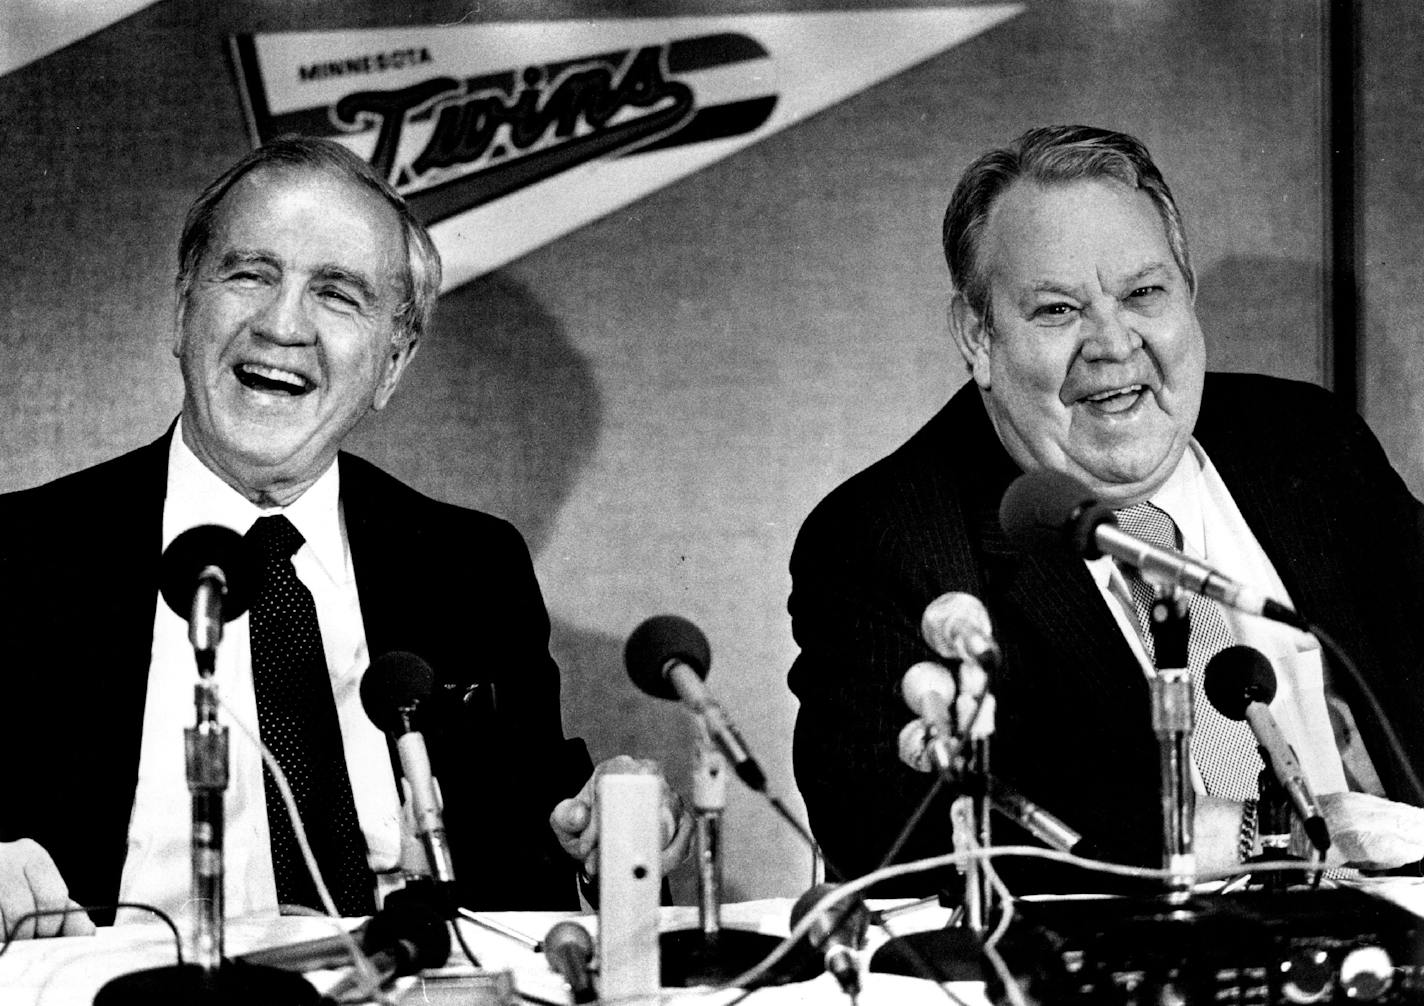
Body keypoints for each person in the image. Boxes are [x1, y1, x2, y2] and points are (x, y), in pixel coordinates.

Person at [0, 137, 686, 939]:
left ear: (392, 364)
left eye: (338, 295)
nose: (282, 324)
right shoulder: (17, 558)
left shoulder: (470, 568)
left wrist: (605, 841)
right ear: (183, 310)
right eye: (249, 273)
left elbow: (548, 849)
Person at [788, 125, 1424, 895]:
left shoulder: (1310, 447)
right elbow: (881, 824)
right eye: (1058, 310)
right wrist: (1266, 833)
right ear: (977, 336)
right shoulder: (889, 536)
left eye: (1143, 293)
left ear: (1186, 292)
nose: (1113, 343)